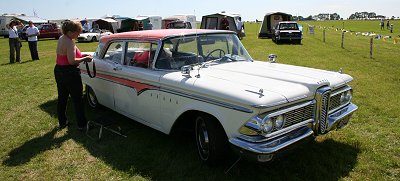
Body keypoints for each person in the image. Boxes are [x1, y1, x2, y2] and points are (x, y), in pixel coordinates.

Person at [54, 21, 93, 130]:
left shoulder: (62, 38)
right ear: (70, 32)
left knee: (62, 98)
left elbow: (66, 55)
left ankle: (62, 122)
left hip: (59, 70)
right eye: (77, 32)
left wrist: (82, 55)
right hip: (69, 72)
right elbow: (72, 61)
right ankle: (82, 125)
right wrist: (85, 58)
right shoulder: (69, 42)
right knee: (78, 99)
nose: (79, 35)